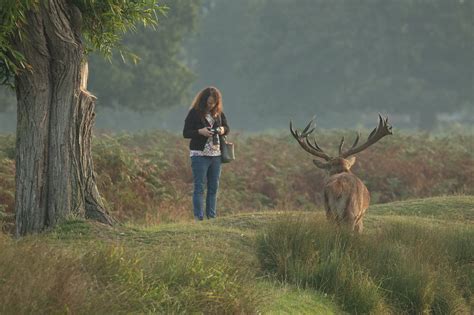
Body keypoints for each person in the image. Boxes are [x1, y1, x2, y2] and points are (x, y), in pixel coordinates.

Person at [183, 86, 230, 220]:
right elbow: (186, 133)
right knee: (199, 187)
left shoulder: (218, 113)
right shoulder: (194, 113)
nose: (211, 105)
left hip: (216, 155)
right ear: (203, 101)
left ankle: (212, 217)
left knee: (213, 187)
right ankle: (199, 217)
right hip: (199, 155)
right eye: (209, 103)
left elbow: (227, 128)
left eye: (213, 103)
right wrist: (200, 132)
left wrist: (221, 129)